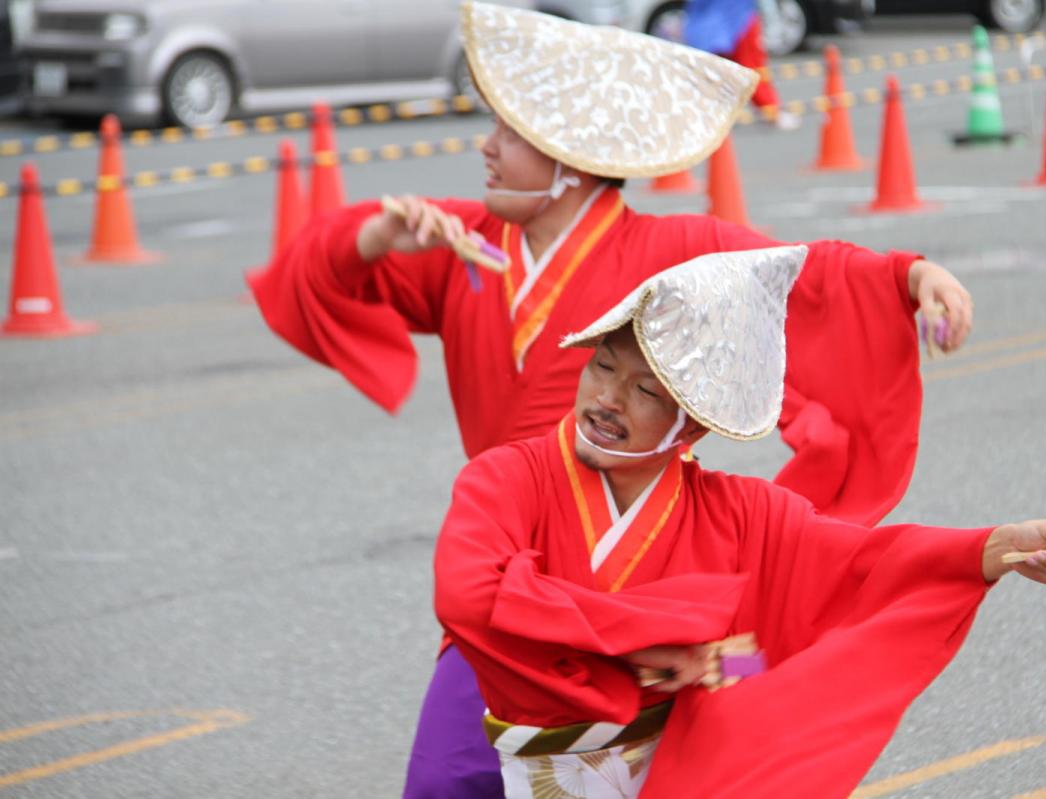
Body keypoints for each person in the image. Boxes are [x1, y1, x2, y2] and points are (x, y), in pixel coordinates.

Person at [246, 4, 974, 795]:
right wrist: (379, 239)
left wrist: (908, 276)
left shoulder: (667, 252)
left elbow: (798, 273)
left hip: (646, 588)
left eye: (511, 135)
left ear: (571, 159)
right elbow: (315, 270)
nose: (485, 148)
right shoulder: (466, 247)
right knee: (446, 781)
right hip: (513, 584)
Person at [434, 246, 1046, 798]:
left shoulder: (745, 514)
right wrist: (636, 650)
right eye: (603, 364)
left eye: (644, 390)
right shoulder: (505, 479)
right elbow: (467, 594)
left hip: (678, 771)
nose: (606, 398)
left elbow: (857, 569)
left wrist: (996, 548)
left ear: (690, 423)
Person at [684, 0, 799, 129]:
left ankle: (706, 115)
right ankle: (770, 110)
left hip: (709, 21)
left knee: (709, 71)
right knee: (749, 67)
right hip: (733, 17)